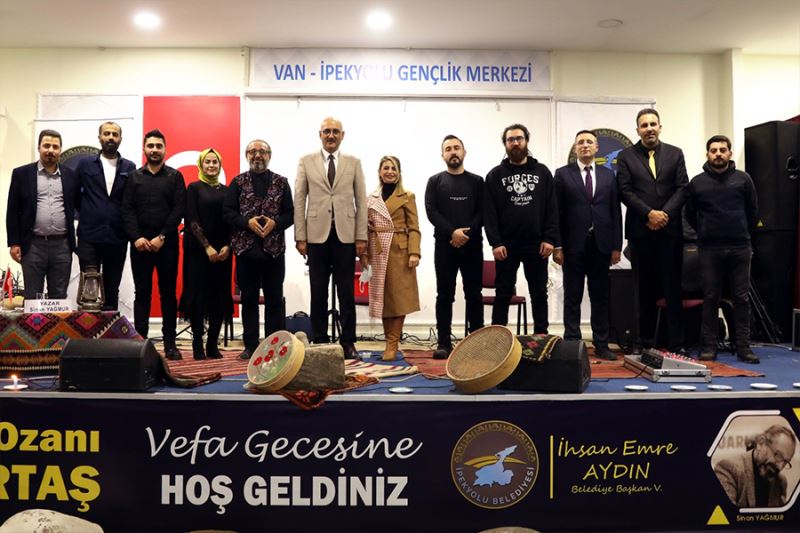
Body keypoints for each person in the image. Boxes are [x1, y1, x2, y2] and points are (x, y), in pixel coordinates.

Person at [294, 117, 367, 359]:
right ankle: (320, 340)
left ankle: (348, 342)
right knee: (318, 291)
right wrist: (300, 236)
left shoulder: (354, 163)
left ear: (342, 135)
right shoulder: (306, 161)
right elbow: (299, 199)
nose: (331, 135)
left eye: (335, 131)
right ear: (320, 134)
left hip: (346, 237)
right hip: (316, 237)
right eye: (327, 131)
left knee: (346, 292)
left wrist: (361, 236)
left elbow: (361, 201)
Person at [617, 108, 688, 353]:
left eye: (653, 124)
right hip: (641, 232)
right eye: (644, 125)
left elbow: (683, 188)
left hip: (670, 233)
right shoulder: (626, 156)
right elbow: (624, 190)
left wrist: (664, 214)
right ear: (637, 130)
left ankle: (676, 343)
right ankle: (644, 342)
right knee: (643, 290)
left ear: (660, 127)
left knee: (673, 289)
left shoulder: (675, 153)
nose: (649, 129)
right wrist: (649, 213)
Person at [686, 135, 759, 364]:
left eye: (722, 150)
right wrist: (705, 231)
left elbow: (753, 211)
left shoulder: (744, 179)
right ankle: (709, 346)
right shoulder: (697, 182)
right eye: (714, 150)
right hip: (710, 248)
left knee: (741, 298)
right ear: (707, 154)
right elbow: (690, 214)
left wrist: (741, 232)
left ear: (729, 153)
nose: (718, 154)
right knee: (710, 297)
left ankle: (743, 347)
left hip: (740, 247)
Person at [553, 130, 623, 361]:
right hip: (572, 246)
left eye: (589, 142)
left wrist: (616, 246)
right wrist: (557, 245)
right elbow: (556, 213)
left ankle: (601, 343)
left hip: (601, 245)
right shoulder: (562, 174)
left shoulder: (608, 175)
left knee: (600, 297)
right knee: (572, 296)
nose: (585, 145)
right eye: (580, 142)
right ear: (575, 148)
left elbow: (615, 212)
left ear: (596, 148)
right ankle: (572, 343)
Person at [484, 123, 559, 334]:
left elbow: (552, 208)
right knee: (503, 293)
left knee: (539, 293)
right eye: (510, 140)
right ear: (505, 144)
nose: (515, 143)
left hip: (537, 244)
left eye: (519, 138)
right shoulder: (495, 175)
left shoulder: (542, 172)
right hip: (506, 246)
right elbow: (489, 213)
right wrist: (495, 242)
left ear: (526, 141)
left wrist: (550, 239)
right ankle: (498, 338)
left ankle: (541, 336)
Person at [223, 140, 293, 360]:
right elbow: (227, 212)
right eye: (253, 151)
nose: (257, 155)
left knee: (274, 300)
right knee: (249, 300)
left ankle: (274, 346)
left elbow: (290, 214)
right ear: (247, 155)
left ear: (269, 155)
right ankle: (251, 346)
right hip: (246, 252)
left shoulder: (282, 182)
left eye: (262, 151)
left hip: (274, 252)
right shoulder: (237, 182)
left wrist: (276, 223)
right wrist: (246, 222)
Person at [121, 129, 185, 360]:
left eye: (159, 146)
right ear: (144, 149)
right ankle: (141, 343)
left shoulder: (175, 177)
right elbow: (126, 209)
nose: (155, 150)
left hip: (166, 245)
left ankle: (170, 344)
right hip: (140, 245)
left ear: (165, 149)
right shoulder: (134, 177)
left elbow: (179, 209)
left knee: (168, 294)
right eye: (151, 146)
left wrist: (163, 236)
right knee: (142, 293)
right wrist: (136, 237)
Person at [424, 135, 484, 360]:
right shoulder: (434, 181)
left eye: (457, 147)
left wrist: (465, 234)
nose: (453, 152)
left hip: (472, 245)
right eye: (448, 149)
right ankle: (444, 342)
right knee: (444, 295)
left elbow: (483, 212)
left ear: (464, 152)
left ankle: (476, 342)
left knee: (474, 294)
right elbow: (431, 212)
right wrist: (452, 232)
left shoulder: (477, 182)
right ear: (443, 155)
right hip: (445, 246)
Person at [6, 129, 78, 300]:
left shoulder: (71, 175)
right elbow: (13, 210)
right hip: (32, 245)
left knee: (59, 297)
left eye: (55, 147)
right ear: (38, 147)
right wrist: (14, 243)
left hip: (62, 246)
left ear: (60, 150)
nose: (50, 150)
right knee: (33, 297)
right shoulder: (21, 174)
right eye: (46, 145)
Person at [75, 121, 136, 310]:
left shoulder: (130, 167)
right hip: (89, 236)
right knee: (90, 288)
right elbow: (74, 195)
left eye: (115, 134)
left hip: (117, 236)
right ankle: (89, 327)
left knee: (111, 288)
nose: (111, 137)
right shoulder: (85, 164)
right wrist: (90, 212)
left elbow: (131, 201)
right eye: (107, 133)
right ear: (99, 137)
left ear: (120, 139)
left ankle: (110, 327)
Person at [364, 155, 421, 361]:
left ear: (399, 173)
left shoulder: (407, 196)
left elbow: (414, 227)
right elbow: (364, 227)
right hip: (377, 250)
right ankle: (389, 340)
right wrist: (363, 254)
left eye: (393, 168)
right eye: (386, 168)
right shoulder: (371, 198)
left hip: (399, 250)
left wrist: (414, 252)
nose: (389, 171)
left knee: (399, 298)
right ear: (380, 172)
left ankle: (392, 343)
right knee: (383, 297)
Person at [181, 148, 233, 360]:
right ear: (201, 165)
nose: (211, 165)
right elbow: (192, 220)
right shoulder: (194, 188)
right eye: (207, 162)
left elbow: (231, 220)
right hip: (198, 252)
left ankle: (212, 344)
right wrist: (207, 247)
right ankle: (197, 345)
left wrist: (228, 246)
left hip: (222, 254)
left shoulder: (228, 190)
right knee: (198, 298)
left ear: (220, 165)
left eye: (215, 162)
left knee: (219, 298)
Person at [714, 424, 797, 508]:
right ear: (761, 443)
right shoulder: (728, 469)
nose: (780, 466)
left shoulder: (781, 482)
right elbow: (726, 513)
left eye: (785, 462)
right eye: (778, 455)